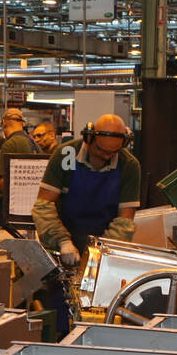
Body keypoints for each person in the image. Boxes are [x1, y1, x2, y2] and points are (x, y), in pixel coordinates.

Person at [32, 113, 140, 268]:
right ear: (89, 138)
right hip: (61, 243)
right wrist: (62, 241)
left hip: (104, 242)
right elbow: (43, 205)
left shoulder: (129, 165)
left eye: (112, 152)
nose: (106, 156)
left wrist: (100, 253)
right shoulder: (65, 155)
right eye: (101, 150)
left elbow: (125, 222)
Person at [0, 108, 36, 203]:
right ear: (22, 123)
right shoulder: (33, 143)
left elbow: (3, 184)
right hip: (30, 203)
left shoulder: (10, 143)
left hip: (12, 205)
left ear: (4, 123)